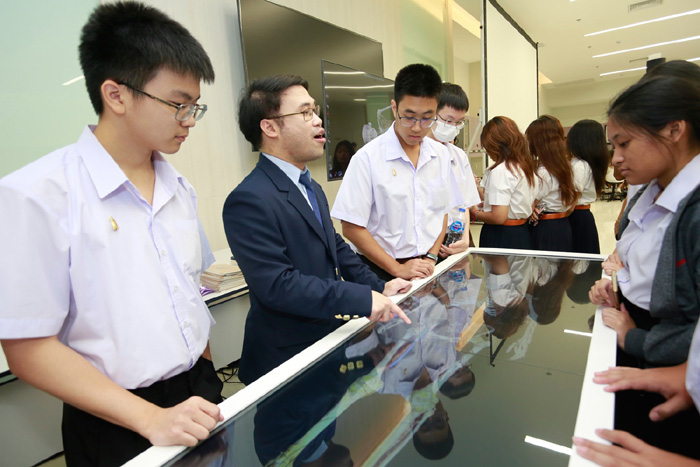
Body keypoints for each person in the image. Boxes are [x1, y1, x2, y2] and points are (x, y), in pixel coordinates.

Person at [0, 3, 223, 465]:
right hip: (114, 417)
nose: (189, 120)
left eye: (194, 106)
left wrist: (205, 373)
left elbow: (188, 290)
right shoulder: (37, 195)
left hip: (196, 391)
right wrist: (150, 418)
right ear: (116, 95)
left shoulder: (179, 187)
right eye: (178, 105)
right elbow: (27, 347)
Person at [223, 74, 411, 385]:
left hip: (327, 343)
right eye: (305, 112)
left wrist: (380, 286)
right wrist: (362, 298)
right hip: (285, 359)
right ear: (270, 127)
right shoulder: (249, 199)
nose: (318, 120)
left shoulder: (310, 186)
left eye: (315, 110)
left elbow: (334, 246)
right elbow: (279, 285)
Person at [588, 70, 700, 368]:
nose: (616, 158)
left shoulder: (693, 213)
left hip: (664, 357)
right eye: (613, 146)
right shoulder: (649, 190)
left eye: (624, 143)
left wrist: (637, 339)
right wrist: (620, 291)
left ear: (674, 131)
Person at [331, 64, 461, 281]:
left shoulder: (440, 155)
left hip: (427, 266)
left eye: (427, 118)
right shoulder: (367, 159)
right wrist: (397, 269)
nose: (417, 127)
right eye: (409, 117)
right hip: (380, 270)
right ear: (394, 108)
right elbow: (351, 228)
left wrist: (431, 256)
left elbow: (442, 211)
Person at [426, 82, 481, 257]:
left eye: (459, 122)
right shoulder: (418, 153)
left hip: (455, 238)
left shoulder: (459, 156)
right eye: (448, 121)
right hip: (426, 244)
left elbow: (464, 204)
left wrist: (464, 239)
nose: (453, 127)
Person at [472, 116, 539, 249]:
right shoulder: (525, 167)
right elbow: (514, 203)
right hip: (522, 232)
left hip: (501, 235)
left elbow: (498, 217)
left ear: (495, 145)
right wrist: (485, 200)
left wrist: (474, 212)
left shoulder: (501, 171)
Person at [525, 115, 578, 252]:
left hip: (546, 228)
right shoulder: (565, 167)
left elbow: (529, 205)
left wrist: (530, 209)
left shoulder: (543, 172)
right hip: (562, 225)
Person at [567, 119, 609, 254]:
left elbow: (572, 201)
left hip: (576, 217)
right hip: (583, 216)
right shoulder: (589, 163)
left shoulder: (580, 165)